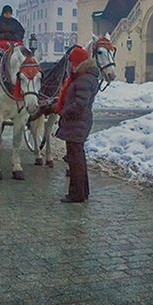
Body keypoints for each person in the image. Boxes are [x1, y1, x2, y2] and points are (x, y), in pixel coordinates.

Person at [55, 46, 99, 203]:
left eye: (73, 62)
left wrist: (64, 111)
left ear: (78, 63)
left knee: (75, 161)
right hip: (78, 123)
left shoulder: (83, 80)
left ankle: (77, 194)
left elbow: (80, 104)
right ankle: (82, 191)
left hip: (77, 123)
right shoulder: (84, 78)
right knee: (77, 159)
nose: (71, 66)